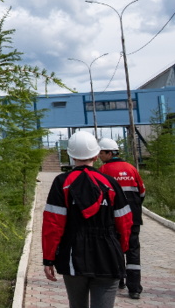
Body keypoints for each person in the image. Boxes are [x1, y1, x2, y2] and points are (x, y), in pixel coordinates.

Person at [42, 131, 133, 308]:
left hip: (73, 255)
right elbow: (125, 222)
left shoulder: (62, 182)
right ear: (96, 154)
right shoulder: (110, 183)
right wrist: (119, 249)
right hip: (108, 256)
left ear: (70, 155)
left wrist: (48, 258)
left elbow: (53, 224)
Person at [98, 137, 146, 299]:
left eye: (102, 153)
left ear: (109, 153)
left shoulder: (104, 170)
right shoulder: (131, 168)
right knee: (133, 251)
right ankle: (134, 289)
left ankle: (119, 280)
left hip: (113, 220)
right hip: (133, 218)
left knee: (115, 248)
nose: (99, 156)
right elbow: (142, 192)